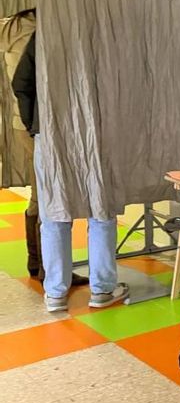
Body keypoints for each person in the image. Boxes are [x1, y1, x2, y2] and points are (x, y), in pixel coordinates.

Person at [12, 31, 126, 312]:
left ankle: (55, 294)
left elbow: (21, 82)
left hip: (50, 131)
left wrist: (34, 124)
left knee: (54, 211)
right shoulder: (104, 29)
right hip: (97, 132)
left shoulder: (46, 33)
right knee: (101, 211)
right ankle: (102, 290)